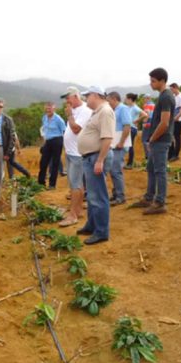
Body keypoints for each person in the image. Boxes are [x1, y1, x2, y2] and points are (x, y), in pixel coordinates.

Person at [131, 68, 175, 215]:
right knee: (151, 168)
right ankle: (149, 197)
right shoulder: (162, 96)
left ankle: (160, 202)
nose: (151, 84)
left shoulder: (166, 97)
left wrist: (152, 139)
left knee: (160, 171)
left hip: (160, 140)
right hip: (158, 140)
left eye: (153, 81)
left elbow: (164, 123)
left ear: (162, 81)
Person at [75, 86, 114, 244]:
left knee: (98, 196)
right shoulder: (97, 112)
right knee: (92, 196)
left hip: (96, 157)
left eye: (87, 96)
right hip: (90, 158)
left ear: (96, 95)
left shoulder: (105, 111)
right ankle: (92, 225)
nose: (85, 99)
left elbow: (107, 138)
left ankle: (101, 232)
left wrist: (100, 160)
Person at [59, 87, 93, 227]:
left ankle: (73, 215)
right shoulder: (75, 110)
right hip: (71, 152)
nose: (67, 101)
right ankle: (77, 210)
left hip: (78, 154)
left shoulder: (85, 110)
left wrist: (69, 116)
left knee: (76, 185)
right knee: (75, 184)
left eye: (68, 98)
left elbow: (76, 129)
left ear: (75, 96)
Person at [107, 92, 132, 206]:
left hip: (119, 145)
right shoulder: (115, 109)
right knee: (113, 170)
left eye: (109, 100)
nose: (108, 103)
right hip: (115, 144)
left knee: (116, 170)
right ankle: (116, 194)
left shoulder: (123, 109)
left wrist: (121, 142)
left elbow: (127, 126)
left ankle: (120, 196)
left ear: (114, 99)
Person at [38, 102, 66, 189]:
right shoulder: (44, 118)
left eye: (50, 108)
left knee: (55, 163)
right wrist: (44, 142)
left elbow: (64, 131)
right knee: (43, 162)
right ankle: (41, 183)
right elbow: (44, 130)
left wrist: (65, 145)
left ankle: (52, 184)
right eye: (46, 108)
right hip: (48, 141)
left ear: (54, 109)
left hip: (57, 141)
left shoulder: (58, 119)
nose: (48, 110)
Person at [124, 93, 148, 169]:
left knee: (130, 146)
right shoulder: (129, 107)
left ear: (130, 99)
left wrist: (137, 120)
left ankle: (130, 164)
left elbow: (145, 114)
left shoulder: (135, 107)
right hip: (129, 128)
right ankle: (129, 163)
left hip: (132, 128)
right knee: (128, 145)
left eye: (126, 99)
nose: (125, 100)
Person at [168, 83, 181, 162]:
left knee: (177, 138)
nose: (171, 91)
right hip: (173, 120)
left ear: (175, 88)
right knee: (171, 137)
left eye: (171, 89)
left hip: (179, 120)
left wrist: (176, 118)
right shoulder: (174, 96)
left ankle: (176, 155)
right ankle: (170, 154)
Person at [141, 95, 156, 160]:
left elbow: (146, 115)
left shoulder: (146, 105)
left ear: (148, 98)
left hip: (148, 122)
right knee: (150, 139)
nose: (144, 100)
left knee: (144, 139)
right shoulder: (154, 105)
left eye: (144, 98)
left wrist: (144, 122)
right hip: (153, 122)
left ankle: (148, 155)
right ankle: (152, 154)